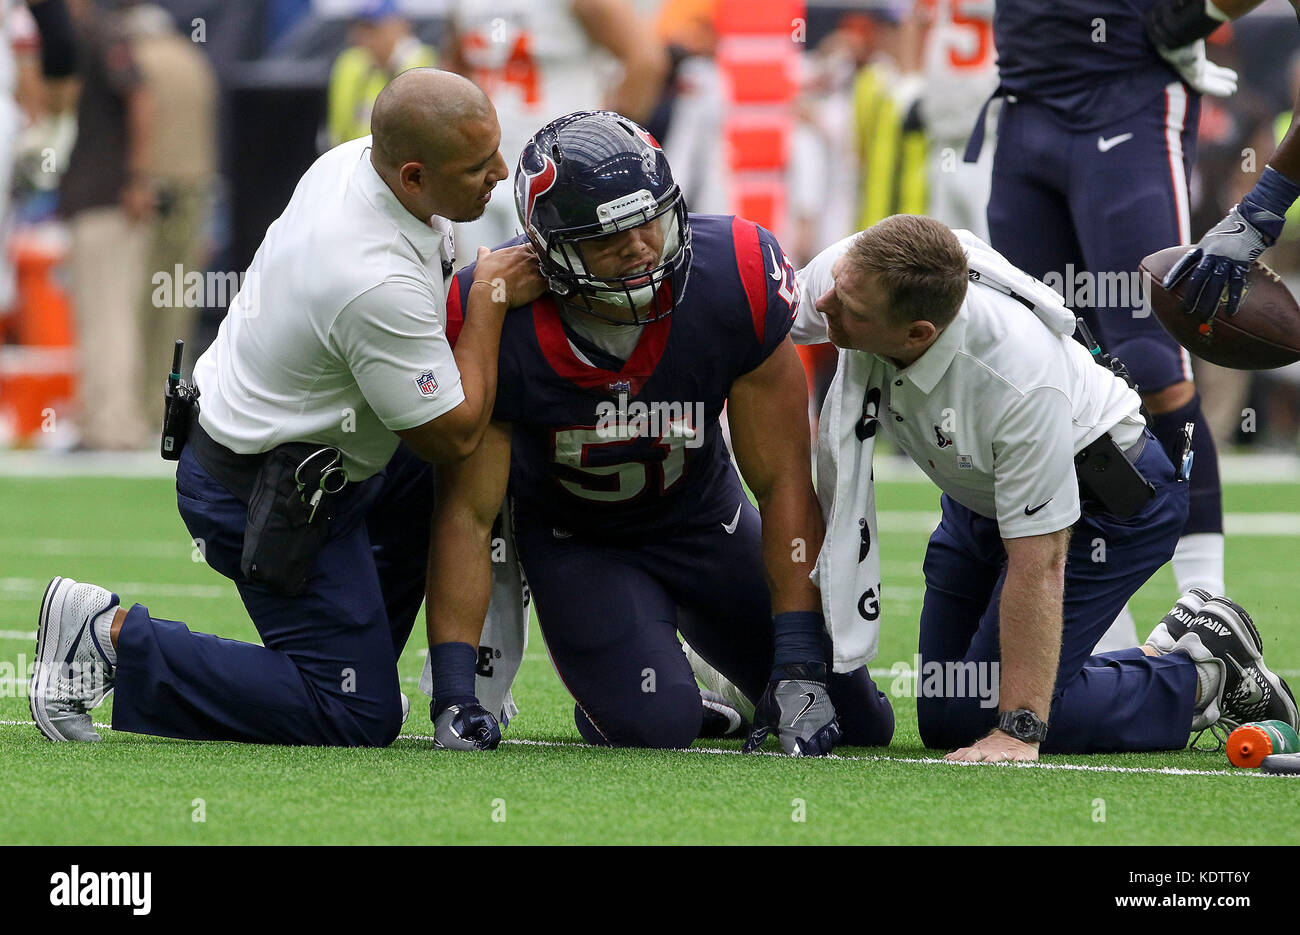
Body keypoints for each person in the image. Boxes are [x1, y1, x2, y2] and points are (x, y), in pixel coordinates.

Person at [29, 69, 545, 748]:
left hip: (305, 453)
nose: (500, 174)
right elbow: (450, 435)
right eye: (479, 166)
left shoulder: (357, 159)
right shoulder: (370, 275)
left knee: (435, 503)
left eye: (497, 152)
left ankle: (451, 687)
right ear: (414, 176)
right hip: (261, 491)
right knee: (355, 713)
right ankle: (106, 636)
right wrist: (490, 305)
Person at [425, 111, 895, 756]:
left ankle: (726, 674)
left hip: (707, 523)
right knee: (656, 725)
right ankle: (644, 683)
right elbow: (468, 516)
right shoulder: (498, 315)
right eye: (607, 239)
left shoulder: (733, 277)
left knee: (860, 724)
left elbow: (785, 479)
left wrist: (799, 669)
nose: (641, 247)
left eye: (651, 220)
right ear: (548, 246)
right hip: (581, 543)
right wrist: (453, 692)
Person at [795, 213, 1297, 760]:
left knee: (986, 715)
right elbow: (773, 318)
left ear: (919, 334)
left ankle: (1204, 675)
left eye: (849, 311)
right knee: (946, 712)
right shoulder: (860, 272)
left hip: (1105, 506)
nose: (825, 309)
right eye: (838, 287)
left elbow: (1041, 559)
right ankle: (1185, 658)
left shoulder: (1015, 378)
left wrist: (1020, 729)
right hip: (981, 492)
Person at [971, 0, 1279, 649]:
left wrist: (1208, 11)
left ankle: (1207, 609)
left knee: (1151, 359)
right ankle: (1097, 614)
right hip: (1024, 102)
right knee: (1043, 369)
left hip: (1127, 99)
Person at [444, 0, 668, 265]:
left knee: (567, 285)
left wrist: (612, 142)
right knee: (478, 278)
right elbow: (454, 70)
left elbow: (645, 60)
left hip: (565, 174)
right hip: (487, 168)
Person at [326, 0, 436, 147]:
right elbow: (338, 127)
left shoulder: (424, 65)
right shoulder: (351, 63)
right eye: (361, 29)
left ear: (400, 26)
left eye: (374, 29)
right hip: (354, 158)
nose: (365, 37)